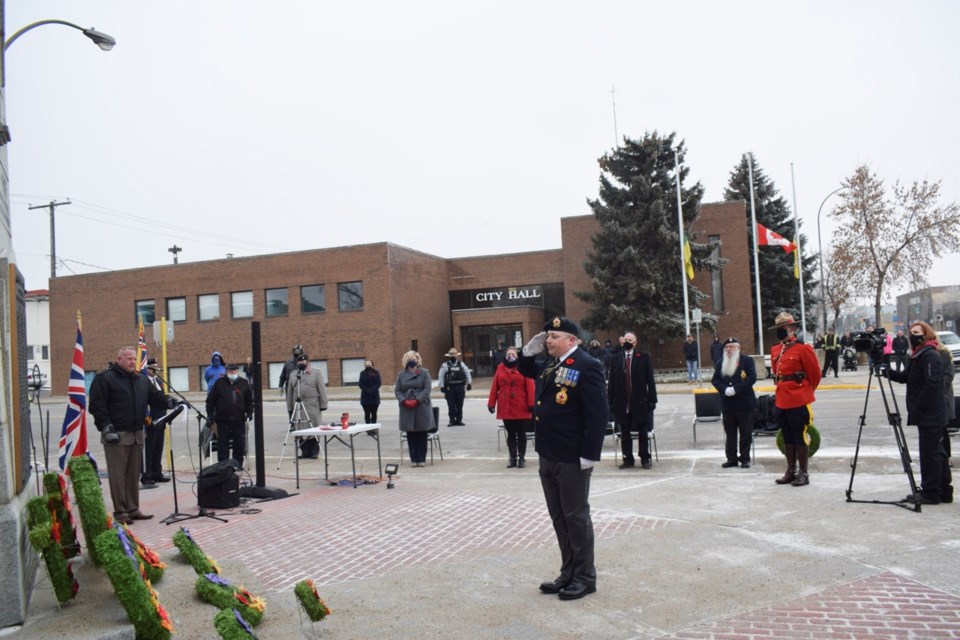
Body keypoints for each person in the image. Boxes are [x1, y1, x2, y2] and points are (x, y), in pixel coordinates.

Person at [518, 316, 607, 601]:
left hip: (572, 456)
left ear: (573, 339)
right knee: (559, 517)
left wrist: (590, 455)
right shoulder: (550, 364)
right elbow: (526, 370)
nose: (548, 341)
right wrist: (525, 353)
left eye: (554, 336)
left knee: (576, 517)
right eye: (547, 337)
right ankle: (568, 572)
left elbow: (598, 415)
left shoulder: (587, 365)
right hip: (549, 454)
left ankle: (585, 577)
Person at [89, 346, 174, 525]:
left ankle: (133, 508)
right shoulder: (105, 379)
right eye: (128, 358)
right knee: (118, 475)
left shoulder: (141, 379)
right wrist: (105, 427)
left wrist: (168, 400)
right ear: (118, 359)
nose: (132, 362)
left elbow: (154, 396)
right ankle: (120, 511)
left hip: (137, 433)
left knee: (133, 474)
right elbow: (97, 406)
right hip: (117, 435)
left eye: (134, 358)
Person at [886, 321, 953, 505]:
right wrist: (886, 371)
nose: (913, 335)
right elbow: (905, 377)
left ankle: (931, 492)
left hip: (931, 413)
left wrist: (919, 406)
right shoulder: (918, 355)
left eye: (917, 332)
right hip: (927, 412)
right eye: (911, 332)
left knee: (930, 453)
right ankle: (943, 490)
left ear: (927, 334)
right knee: (936, 452)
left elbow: (933, 384)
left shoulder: (930, 355)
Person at [770, 312, 822, 487]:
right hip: (781, 398)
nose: (781, 331)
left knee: (799, 435)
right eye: (778, 328)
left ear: (792, 328)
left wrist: (806, 391)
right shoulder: (775, 349)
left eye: (783, 327)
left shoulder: (803, 348)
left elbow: (815, 374)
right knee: (787, 435)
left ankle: (804, 473)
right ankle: (790, 471)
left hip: (798, 398)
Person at [606, 331, 657, 469]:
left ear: (635, 342)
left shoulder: (643, 357)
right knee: (625, 431)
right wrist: (610, 400)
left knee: (642, 430)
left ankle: (645, 457)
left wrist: (652, 399)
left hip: (639, 401)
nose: (627, 341)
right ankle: (628, 458)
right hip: (622, 401)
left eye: (630, 339)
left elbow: (650, 380)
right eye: (625, 339)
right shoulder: (616, 358)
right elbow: (611, 382)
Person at [711, 337, 758, 468]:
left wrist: (735, 389)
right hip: (728, 404)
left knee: (745, 434)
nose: (729, 349)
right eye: (727, 347)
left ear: (738, 348)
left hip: (744, 403)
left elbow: (752, 378)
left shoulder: (747, 361)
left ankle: (744, 459)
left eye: (732, 346)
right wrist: (724, 390)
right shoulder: (720, 362)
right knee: (730, 434)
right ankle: (731, 458)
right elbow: (715, 380)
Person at [488, 347, 535, 468]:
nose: (510, 356)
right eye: (509, 354)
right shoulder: (500, 368)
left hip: (520, 405)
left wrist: (531, 404)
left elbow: (530, 386)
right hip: (505, 406)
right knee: (510, 433)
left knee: (521, 433)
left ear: (517, 356)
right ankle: (512, 458)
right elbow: (495, 386)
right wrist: (491, 403)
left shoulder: (523, 367)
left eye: (513, 354)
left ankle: (522, 458)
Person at [206, 363, 254, 466]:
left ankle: (237, 465)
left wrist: (250, 412)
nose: (233, 372)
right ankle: (223, 466)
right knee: (223, 444)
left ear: (238, 371)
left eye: (235, 370)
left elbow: (249, 400)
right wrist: (210, 414)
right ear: (226, 372)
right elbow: (210, 401)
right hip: (223, 420)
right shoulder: (219, 383)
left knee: (239, 444)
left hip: (239, 419)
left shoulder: (243, 383)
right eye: (231, 371)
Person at [285, 353, 329, 458]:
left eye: (303, 362)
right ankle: (304, 451)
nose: (301, 363)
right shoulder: (293, 375)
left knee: (313, 429)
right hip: (299, 407)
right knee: (300, 430)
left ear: (307, 362)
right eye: (299, 362)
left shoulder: (316, 374)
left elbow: (322, 389)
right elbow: (290, 392)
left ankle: (314, 451)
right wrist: (290, 407)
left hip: (312, 406)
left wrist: (324, 403)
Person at [395, 351, 433, 466]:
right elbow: (397, 390)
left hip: (421, 405)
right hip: (407, 407)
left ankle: (421, 459)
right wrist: (404, 400)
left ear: (418, 360)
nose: (412, 361)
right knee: (410, 433)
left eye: (414, 359)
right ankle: (413, 458)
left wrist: (417, 400)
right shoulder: (401, 375)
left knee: (422, 433)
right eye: (410, 359)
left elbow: (427, 389)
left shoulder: (425, 372)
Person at [140, 358, 170, 488]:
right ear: (147, 368)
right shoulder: (144, 382)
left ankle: (157, 472)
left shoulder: (158, 381)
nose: (156, 370)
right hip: (150, 420)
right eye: (153, 368)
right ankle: (148, 474)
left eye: (157, 368)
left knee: (158, 447)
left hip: (161, 419)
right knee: (149, 449)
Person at [438, 348, 472, 426]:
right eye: (451, 356)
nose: (453, 357)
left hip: (460, 387)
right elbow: (441, 376)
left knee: (460, 404)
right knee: (451, 405)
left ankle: (459, 420)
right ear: (449, 356)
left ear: (456, 356)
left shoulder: (461, 364)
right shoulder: (445, 365)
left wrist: (469, 383)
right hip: (450, 388)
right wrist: (442, 386)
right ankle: (452, 420)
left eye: (454, 355)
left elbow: (467, 373)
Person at [278, 343, 305, 420]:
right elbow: (282, 375)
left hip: (300, 388)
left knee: (302, 406)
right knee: (290, 406)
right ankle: (292, 422)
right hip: (289, 388)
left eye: (299, 352)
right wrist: (280, 386)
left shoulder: (303, 363)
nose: (297, 353)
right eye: (296, 351)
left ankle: (303, 421)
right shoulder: (288, 363)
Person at [358, 359, 382, 424]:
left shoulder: (376, 372)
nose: (368, 366)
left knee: (374, 413)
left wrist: (372, 390)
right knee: (367, 414)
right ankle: (368, 428)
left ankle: (373, 427)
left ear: (372, 365)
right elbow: (361, 384)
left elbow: (378, 383)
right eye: (366, 365)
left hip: (374, 397)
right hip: (365, 397)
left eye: (369, 364)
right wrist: (367, 390)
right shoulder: (362, 373)